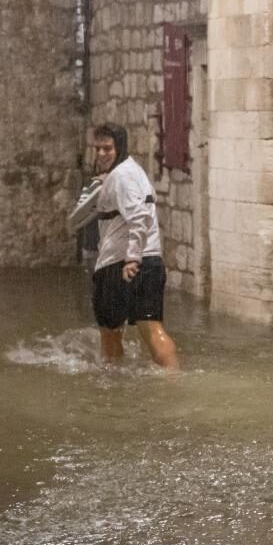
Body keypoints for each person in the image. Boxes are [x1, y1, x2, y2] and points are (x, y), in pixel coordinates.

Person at [68, 123, 179, 368]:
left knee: (110, 333)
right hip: (151, 261)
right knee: (153, 329)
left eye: (107, 148)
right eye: (97, 148)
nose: (101, 154)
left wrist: (131, 258)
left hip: (119, 264)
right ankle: (173, 378)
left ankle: (113, 383)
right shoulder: (133, 172)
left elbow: (138, 216)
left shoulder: (120, 176)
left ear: (120, 147)